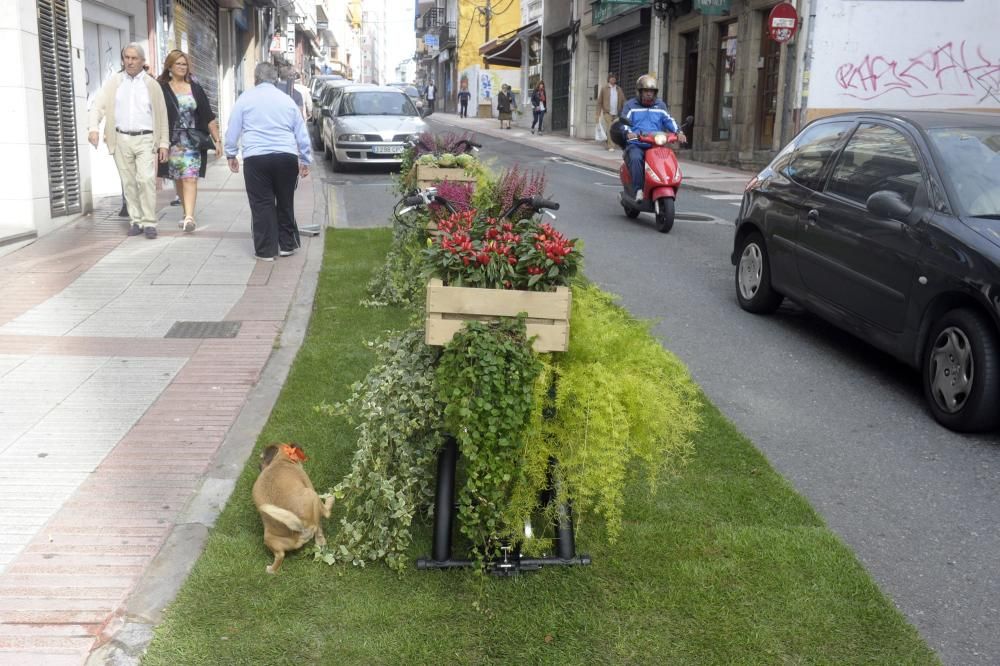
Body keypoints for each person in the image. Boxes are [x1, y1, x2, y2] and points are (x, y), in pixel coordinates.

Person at [224, 63, 312, 261]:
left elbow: (233, 128)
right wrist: (305, 159)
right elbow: (301, 131)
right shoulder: (287, 100)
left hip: (256, 158)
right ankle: (286, 245)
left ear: (255, 78)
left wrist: (231, 153)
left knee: (262, 203)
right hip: (286, 156)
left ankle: (266, 251)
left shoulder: (245, 98)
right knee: (285, 200)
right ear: (276, 79)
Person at [87, 43, 169, 239]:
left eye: (134, 58)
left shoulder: (152, 85)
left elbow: (162, 115)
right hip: (120, 138)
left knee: (146, 180)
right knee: (129, 182)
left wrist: (164, 143)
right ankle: (136, 221)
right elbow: (98, 106)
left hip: (146, 138)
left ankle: (149, 222)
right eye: (127, 58)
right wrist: (93, 129)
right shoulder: (114, 82)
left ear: (142, 61)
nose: (130, 61)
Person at [157, 49, 221, 233]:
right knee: (178, 178)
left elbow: (208, 115)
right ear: (169, 66)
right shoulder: (161, 88)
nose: (182, 67)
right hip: (171, 142)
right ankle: (186, 213)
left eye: (184, 64)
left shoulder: (195, 87)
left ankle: (190, 217)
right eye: (178, 63)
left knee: (190, 178)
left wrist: (217, 140)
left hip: (192, 141)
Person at [620, 74, 687, 202]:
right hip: (636, 143)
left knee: (668, 157)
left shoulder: (660, 106)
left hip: (655, 144)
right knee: (635, 158)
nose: (649, 94)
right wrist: (629, 133)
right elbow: (624, 122)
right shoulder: (630, 105)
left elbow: (669, 120)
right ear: (639, 92)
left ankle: (666, 183)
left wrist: (679, 132)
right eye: (646, 91)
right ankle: (638, 190)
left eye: (651, 91)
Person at [596, 73, 624, 151]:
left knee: (613, 128)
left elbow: (623, 100)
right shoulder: (604, 88)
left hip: (616, 113)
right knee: (610, 127)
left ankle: (608, 140)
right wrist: (597, 114)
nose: (613, 79)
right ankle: (611, 146)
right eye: (611, 78)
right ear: (608, 79)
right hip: (607, 112)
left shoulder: (619, 89)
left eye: (614, 78)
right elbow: (599, 102)